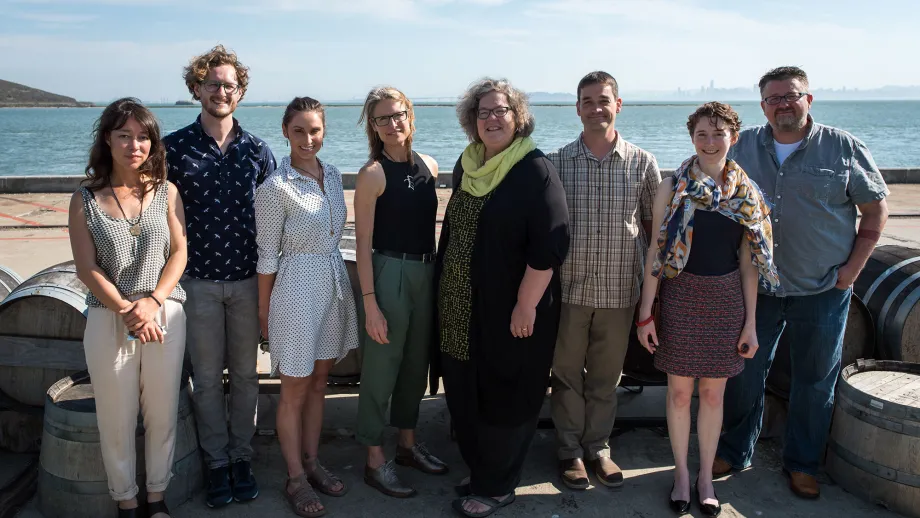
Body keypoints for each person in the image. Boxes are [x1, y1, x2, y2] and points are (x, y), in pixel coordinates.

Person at [714, 66, 890, 499]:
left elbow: (875, 210)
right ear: (762, 106)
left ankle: (803, 463)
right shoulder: (743, 146)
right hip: (758, 290)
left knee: (814, 381)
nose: (783, 105)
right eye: (773, 99)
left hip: (822, 289)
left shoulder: (842, 147)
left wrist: (852, 270)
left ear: (808, 99)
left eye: (791, 96)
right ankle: (735, 451)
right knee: (744, 373)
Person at [637, 102, 779, 517]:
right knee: (680, 394)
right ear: (692, 138)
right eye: (702, 134)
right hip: (681, 297)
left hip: (726, 299)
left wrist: (751, 323)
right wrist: (647, 310)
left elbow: (750, 262)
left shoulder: (746, 193)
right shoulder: (672, 187)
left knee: (714, 394)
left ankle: (705, 478)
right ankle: (681, 474)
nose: (710, 142)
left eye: (719, 134)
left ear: (734, 137)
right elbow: (656, 252)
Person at [436, 77, 570, 517]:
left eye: (501, 111)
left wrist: (526, 304)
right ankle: (482, 471)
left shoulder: (534, 170)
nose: (492, 119)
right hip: (460, 306)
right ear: (472, 122)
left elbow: (550, 244)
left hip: (511, 309)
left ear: (518, 117)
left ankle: (498, 486)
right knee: (466, 389)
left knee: (506, 392)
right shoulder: (468, 164)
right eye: (483, 112)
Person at [164, 44, 276, 508]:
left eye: (230, 85)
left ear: (240, 91)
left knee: (247, 376)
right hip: (198, 284)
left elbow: (273, 216)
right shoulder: (173, 148)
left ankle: (241, 457)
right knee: (207, 379)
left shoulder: (257, 150)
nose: (221, 91)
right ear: (197, 89)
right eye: (212, 84)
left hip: (249, 281)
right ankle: (215, 463)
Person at [68, 98, 188, 518]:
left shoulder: (166, 192)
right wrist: (127, 310)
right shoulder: (84, 199)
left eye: (143, 137)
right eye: (124, 135)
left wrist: (153, 302)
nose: (134, 145)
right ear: (108, 139)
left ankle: (156, 499)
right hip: (108, 317)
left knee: (162, 412)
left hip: (165, 312)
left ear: (152, 144)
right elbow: (87, 268)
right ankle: (125, 501)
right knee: (115, 418)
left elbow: (179, 252)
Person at [546, 71, 661, 490]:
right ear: (577, 108)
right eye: (588, 101)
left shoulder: (643, 162)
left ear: (618, 104)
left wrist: (653, 295)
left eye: (604, 100)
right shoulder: (556, 162)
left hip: (619, 291)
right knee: (565, 375)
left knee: (606, 379)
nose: (597, 108)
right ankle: (569, 451)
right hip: (570, 289)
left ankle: (598, 448)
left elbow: (651, 230)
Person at [255, 97, 359, 517]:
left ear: (324, 131)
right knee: (294, 387)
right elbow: (266, 256)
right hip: (295, 291)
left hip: (331, 286)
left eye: (314, 130)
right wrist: (264, 313)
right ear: (284, 131)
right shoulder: (274, 187)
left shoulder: (332, 175)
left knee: (320, 381)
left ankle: (313, 462)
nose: (307, 138)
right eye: (298, 130)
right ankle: (294, 476)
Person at [353, 86, 448, 498]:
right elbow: (362, 244)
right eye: (382, 118)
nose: (393, 124)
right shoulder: (372, 173)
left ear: (410, 115)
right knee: (381, 366)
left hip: (426, 272)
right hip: (389, 271)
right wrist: (371, 303)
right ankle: (374, 457)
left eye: (398, 114)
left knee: (415, 364)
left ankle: (407, 445)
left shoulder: (429, 163)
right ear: (372, 126)